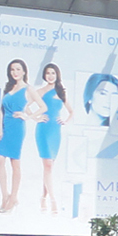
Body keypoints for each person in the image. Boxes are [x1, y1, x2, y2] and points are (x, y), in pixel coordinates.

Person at [32, 63, 72, 216]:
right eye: (48, 73)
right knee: (47, 166)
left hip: (55, 132)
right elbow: (27, 107)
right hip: (43, 130)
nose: (50, 76)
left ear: (57, 75)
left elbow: (71, 111)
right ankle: (53, 200)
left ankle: (43, 198)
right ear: (44, 75)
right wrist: (36, 117)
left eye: (53, 73)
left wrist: (66, 120)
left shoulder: (61, 92)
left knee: (49, 167)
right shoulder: (40, 91)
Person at [0, 59, 32, 213]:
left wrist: (26, 116)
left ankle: (14, 197)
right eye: (12, 70)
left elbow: (41, 106)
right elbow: (1, 110)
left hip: (17, 128)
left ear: (23, 71)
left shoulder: (28, 89)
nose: (15, 72)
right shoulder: (8, 88)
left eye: (18, 69)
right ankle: (5, 196)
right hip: (5, 127)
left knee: (14, 163)